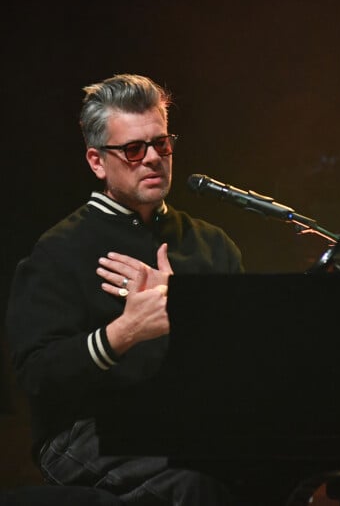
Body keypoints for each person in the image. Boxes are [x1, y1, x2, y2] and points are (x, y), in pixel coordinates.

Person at [5, 74, 244, 505]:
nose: (153, 158)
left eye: (162, 143)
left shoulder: (213, 244)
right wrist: (126, 331)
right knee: (197, 481)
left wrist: (189, 310)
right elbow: (36, 374)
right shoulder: (60, 249)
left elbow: (244, 357)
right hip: (83, 433)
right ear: (97, 162)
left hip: (186, 422)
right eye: (134, 149)